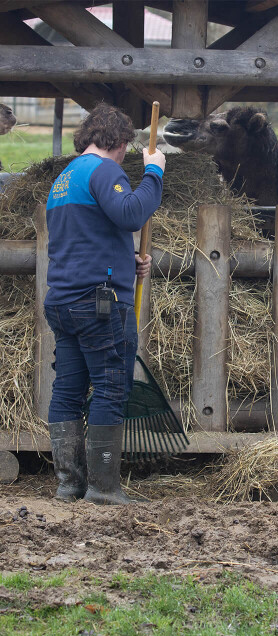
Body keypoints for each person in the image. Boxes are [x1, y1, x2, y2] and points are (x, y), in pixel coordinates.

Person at [44, 103, 165, 505]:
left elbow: (84, 237)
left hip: (63, 301)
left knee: (68, 389)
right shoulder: (104, 169)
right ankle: (103, 488)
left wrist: (124, 262)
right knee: (111, 388)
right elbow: (130, 213)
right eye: (126, 148)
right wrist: (154, 171)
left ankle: (69, 484)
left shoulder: (63, 179)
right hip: (99, 304)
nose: (125, 155)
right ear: (116, 141)